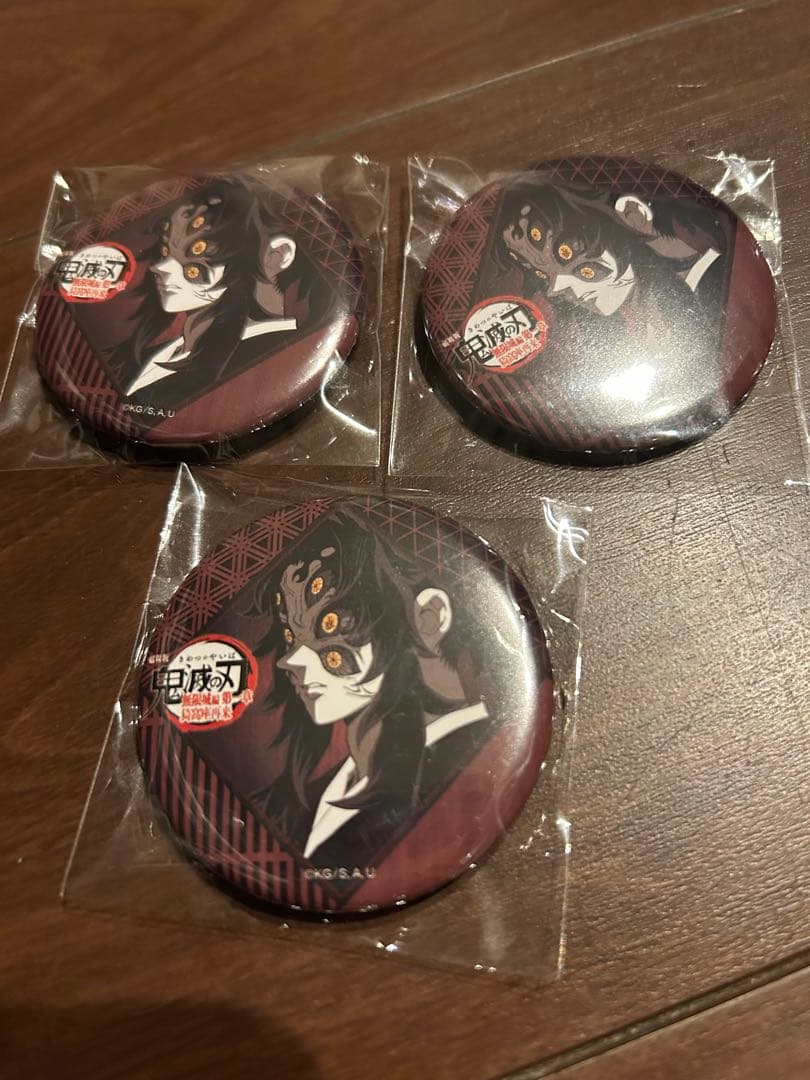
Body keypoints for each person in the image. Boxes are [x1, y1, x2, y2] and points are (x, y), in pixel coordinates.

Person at [247, 506, 497, 867]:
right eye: (291, 636)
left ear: (428, 617)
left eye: (332, 623)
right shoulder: (319, 794)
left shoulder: (479, 757)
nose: (290, 662)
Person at [109, 175, 321, 409]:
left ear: (277, 256)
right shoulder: (163, 353)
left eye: (196, 254)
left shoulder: (274, 353)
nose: (159, 268)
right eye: (166, 250)